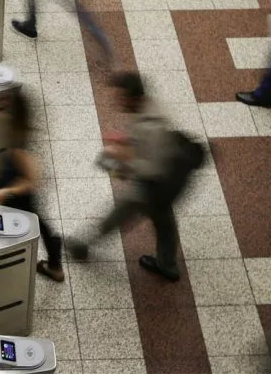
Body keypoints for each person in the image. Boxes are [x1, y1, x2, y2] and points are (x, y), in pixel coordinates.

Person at [67, 72, 202, 282]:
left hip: (154, 186)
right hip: (168, 183)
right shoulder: (149, 108)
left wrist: (124, 160)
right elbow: (149, 144)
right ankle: (167, 264)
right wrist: (127, 140)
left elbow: (154, 167)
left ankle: (81, 245)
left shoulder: (153, 127)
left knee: (119, 213)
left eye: (121, 97)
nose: (117, 102)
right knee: (164, 222)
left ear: (133, 98)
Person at [0, 90, 64, 282]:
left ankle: (54, 262)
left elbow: (33, 180)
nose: (0, 108)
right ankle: (53, 255)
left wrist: (6, 190)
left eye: (4, 105)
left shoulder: (19, 142)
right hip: (13, 194)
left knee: (33, 222)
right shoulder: (14, 129)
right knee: (36, 222)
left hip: (18, 196)